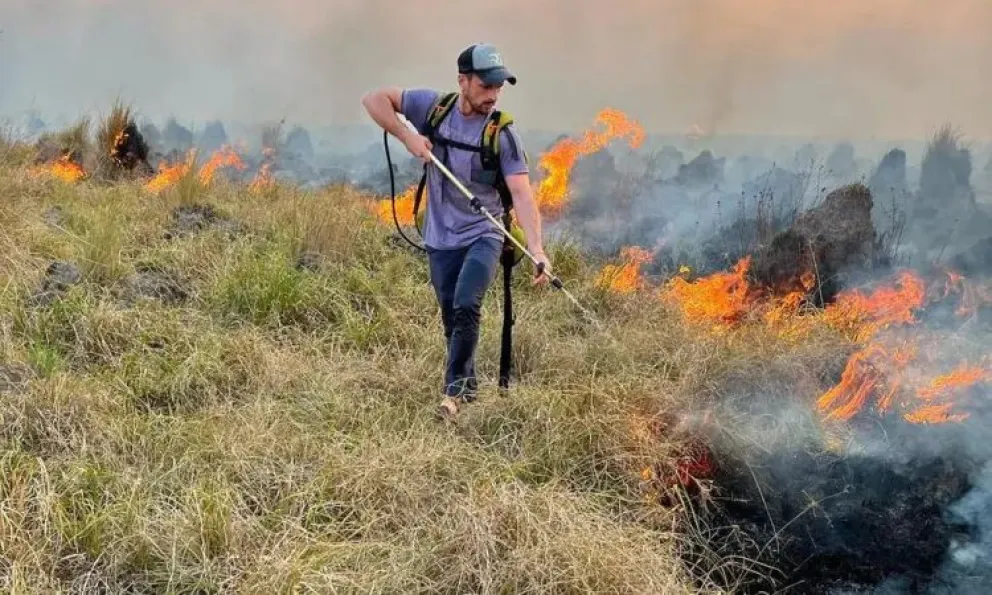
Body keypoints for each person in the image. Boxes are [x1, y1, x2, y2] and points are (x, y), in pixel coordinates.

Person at [361, 42, 551, 420]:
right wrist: (408, 136)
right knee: (452, 316)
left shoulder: (503, 134)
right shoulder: (434, 108)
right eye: (486, 86)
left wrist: (537, 248)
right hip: (440, 235)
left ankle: (453, 395)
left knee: (467, 303)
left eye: (499, 87)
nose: (493, 95)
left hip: (484, 231)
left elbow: (521, 194)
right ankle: (469, 385)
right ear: (463, 81)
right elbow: (373, 99)